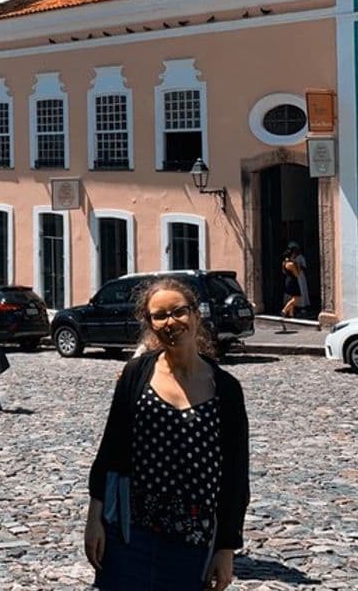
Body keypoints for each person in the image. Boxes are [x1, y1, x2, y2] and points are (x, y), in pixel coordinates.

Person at [84, 278, 249, 591]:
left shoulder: (225, 389)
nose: (170, 322)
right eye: (159, 316)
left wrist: (226, 547)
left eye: (178, 312)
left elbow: (235, 475)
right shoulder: (137, 374)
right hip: (130, 531)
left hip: (192, 539)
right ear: (149, 324)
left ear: (195, 315)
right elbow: (111, 448)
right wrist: (95, 518)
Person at [279, 249, 303, 332]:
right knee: (296, 298)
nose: (294, 256)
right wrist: (298, 265)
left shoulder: (284, 263)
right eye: (293, 255)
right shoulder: (291, 264)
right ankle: (284, 310)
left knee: (292, 297)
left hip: (288, 280)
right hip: (293, 281)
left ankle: (291, 314)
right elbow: (297, 274)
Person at [287, 242, 311, 316]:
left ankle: (303, 306)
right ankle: (291, 309)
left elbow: (304, 267)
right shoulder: (290, 258)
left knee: (301, 291)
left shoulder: (301, 257)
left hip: (300, 276)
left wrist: (298, 265)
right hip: (292, 277)